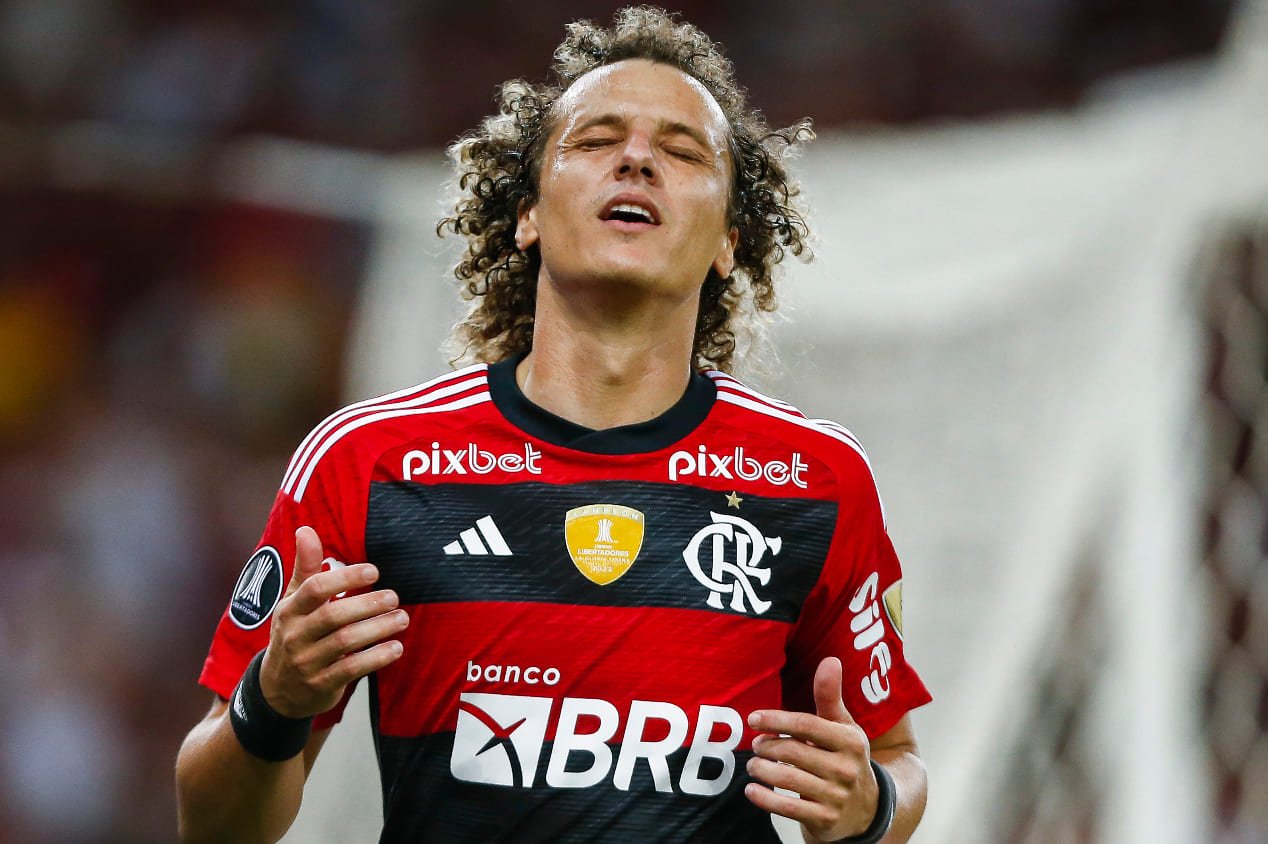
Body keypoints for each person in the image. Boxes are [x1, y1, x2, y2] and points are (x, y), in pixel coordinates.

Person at [176, 7, 931, 842]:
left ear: (729, 241)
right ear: (528, 212)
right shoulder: (369, 463)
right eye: (596, 140)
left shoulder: (815, 480)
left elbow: (896, 757)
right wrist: (271, 701)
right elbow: (213, 828)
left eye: (683, 152)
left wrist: (871, 806)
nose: (636, 159)